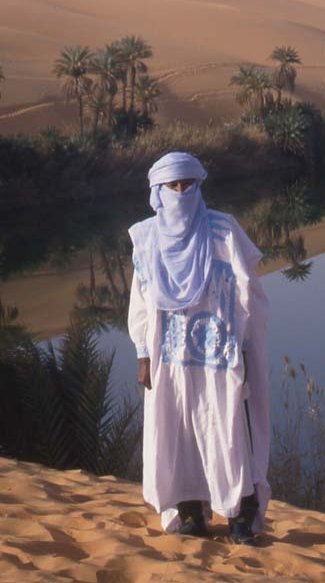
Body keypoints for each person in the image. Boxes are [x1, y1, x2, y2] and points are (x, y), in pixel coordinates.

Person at [127, 151, 270, 545]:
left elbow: (251, 294)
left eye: (187, 184)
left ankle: (241, 518)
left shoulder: (224, 231)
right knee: (179, 435)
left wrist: (245, 343)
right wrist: (142, 353)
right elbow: (139, 300)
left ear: (199, 186)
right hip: (169, 359)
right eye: (172, 186)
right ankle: (191, 514)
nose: (180, 192)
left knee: (229, 433)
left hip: (219, 358)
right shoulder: (145, 238)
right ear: (157, 192)